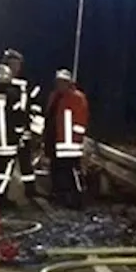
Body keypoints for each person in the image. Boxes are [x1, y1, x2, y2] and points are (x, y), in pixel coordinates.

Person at [0, 63, 30, 209]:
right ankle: (0, 198)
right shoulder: (12, 96)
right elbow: (18, 117)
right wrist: (20, 134)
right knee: (6, 170)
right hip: (8, 141)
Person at [44, 68, 89, 209]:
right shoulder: (54, 96)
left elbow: (81, 120)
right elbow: (50, 118)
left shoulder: (77, 98)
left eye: (63, 82)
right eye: (58, 82)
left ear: (69, 83)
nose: (60, 85)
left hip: (70, 144)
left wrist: (77, 139)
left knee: (71, 172)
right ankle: (60, 196)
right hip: (55, 142)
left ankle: (77, 199)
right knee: (57, 171)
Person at [1, 49, 42, 196]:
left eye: (17, 64)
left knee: (26, 161)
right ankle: (2, 192)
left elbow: (33, 100)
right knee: (6, 163)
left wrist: (33, 112)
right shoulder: (1, 81)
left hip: (23, 128)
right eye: (12, 64)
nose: (15, 67)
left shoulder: (25, 81)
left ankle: (30, 189)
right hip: (8, 131)